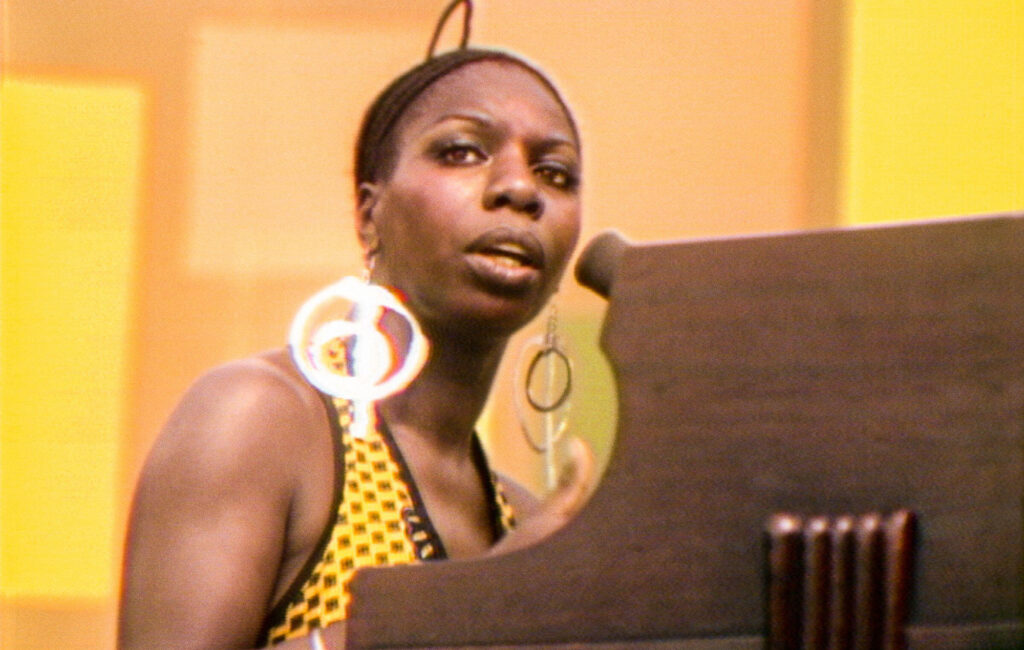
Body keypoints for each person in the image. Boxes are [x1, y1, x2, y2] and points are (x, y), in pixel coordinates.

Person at [117, 4, 593, 648]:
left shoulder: (520, 518)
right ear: (370, 216)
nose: (519, 188)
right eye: (461, 151)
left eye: (554, 173)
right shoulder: (258, 419)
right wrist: (481, 603)